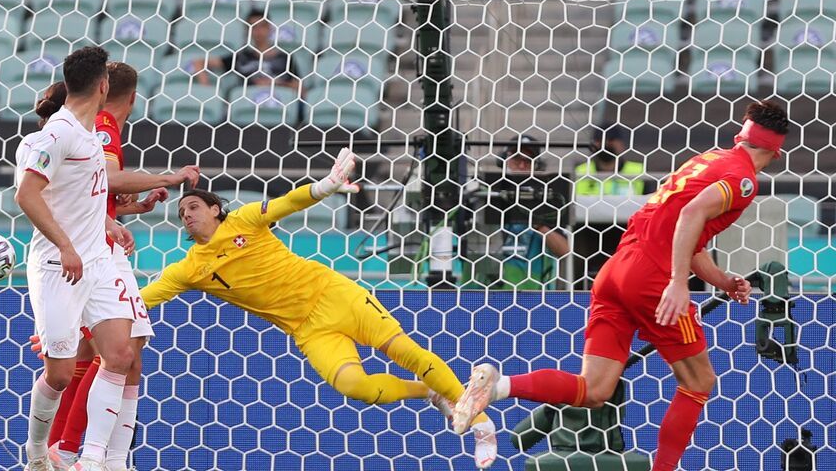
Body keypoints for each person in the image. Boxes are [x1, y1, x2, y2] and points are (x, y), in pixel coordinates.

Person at [453, 101, 790, 471]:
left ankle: (498, 386)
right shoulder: (743, 180)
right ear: (778, 148)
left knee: (595, 390)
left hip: (615, 270)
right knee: (699, 380)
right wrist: (679, 282)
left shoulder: (708, 159)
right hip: (651, 278)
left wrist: (723, 280)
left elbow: (685, 232)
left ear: (739, 136)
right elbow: (690, 215)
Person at [137, 149, 499, 469]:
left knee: (404, 351)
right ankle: (429, 391)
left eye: (194, 206)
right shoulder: (188, 269)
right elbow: (143, 298)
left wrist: (326, 185)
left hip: (332, 294)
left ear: (215, 208)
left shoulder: (244, 220)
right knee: (355, 387)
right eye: (181, 211)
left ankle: (481, 425)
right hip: (308, 329)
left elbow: (289, 202)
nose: (186, 214)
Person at [40, 62, 200, 471]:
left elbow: (93, 190)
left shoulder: (87, 126)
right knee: (114, 352)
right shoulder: (105, 122)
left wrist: (126, 211)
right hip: (95, 251)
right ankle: (76, 450)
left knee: (126, 354)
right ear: (130, 96)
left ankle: (103, 456)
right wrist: (174, 176)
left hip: (99, 241)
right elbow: (109, 179)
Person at [15, 46, 139, 471]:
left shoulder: (88, 137)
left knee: (120, 353)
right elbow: (27, 195)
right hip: (58, 264)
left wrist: (111, 226)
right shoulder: (57, 134)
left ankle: (96, 460)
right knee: (62, 373)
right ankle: (37, 453)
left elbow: (85, 199)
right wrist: (67, 246)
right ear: (103, 86)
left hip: (98, 262)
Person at [497, 135, 569, 289]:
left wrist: (540, 225)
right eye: (516, 159)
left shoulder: (549, 200)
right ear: (504, 161)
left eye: (528, 161)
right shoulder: (486, 195)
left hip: (535, 294)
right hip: (486, 292)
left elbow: (564, 250)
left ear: (537, 165)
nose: (522, 166)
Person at [194, 9, 301, 93]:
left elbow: (299, 89)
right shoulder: (241, 57)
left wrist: (274, 84)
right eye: (253, 27)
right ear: (247, 30)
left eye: (262, 26)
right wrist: (207, 90)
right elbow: (199, 62)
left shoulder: (285, 58)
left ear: (270, 28)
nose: (258, 31)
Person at [575, 125, 645, 196]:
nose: (605, 144)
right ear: (593, 145)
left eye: (611, 140)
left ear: (621, 144)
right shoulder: (581, 172)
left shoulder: (639, 172)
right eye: (600, 140)